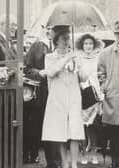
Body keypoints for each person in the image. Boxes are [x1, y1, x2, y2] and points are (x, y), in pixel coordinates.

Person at [41, 25, 85, 168]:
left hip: (73, 96)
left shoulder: (74, 55)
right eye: (63, 38)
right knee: (59, 131)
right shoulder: (50, 57)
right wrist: (66, 58)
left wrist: (79, 65)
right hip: (57, 97)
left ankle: (73, 164)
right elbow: (51, 72)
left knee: (75, 131)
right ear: (56, 40)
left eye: (67, 38)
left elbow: (84, 78)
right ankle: (65, 162)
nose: (66, 41)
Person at [24, 27, 58, 166]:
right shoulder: (37, 46)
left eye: (55, 29)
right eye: (50, 29)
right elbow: (27, 68)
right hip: (40, 92)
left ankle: (54, 159)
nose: (52, 32)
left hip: (56, 92)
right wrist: (40, 72)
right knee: (37, 124)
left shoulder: (61, 48)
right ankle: (33, 153)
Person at [75, 33, 104, 164]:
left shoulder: (98, 57)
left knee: (94, 125)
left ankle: (93, 153)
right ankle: (84, 154)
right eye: (86, 44)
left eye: (90, 44)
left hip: (95, 93)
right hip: (82, 93)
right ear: (82, 45)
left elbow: (102, 74)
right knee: (83, 125)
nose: (88, 46)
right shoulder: (78, 58)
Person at [98, 21, 119, 168]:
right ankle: (115, 161)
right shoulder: (105, 53)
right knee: (114, 133)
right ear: (115, 34)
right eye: (118, 33)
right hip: (113, 99)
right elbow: (100, 74)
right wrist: (105, 86)